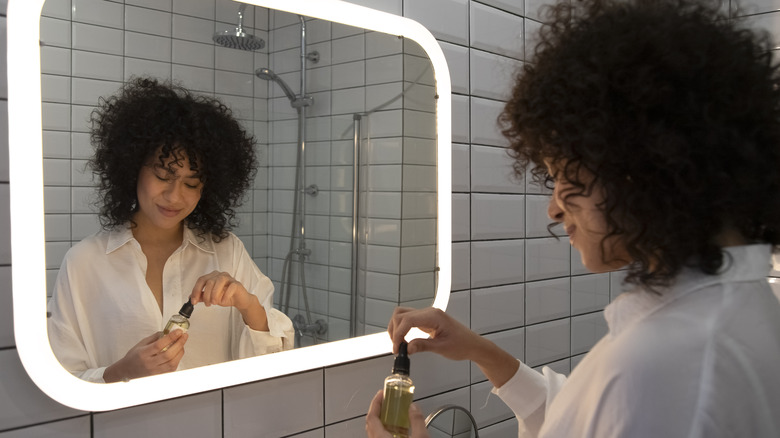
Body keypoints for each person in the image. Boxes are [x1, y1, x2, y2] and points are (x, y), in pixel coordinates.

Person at [366, 0, 780, 436]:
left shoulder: (663, 365)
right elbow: (581, 417)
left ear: (643, 166)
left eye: (567, 178)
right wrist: (481, 352)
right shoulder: (734, 316)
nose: (554, 208)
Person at [47, 77, 294, 383]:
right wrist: (120, 372)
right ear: (132, 166)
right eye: (164, 175)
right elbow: (61, 380)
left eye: (191, 183)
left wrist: (247, 304)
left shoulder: (227, 251)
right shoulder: (84, 262)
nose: (175, 196)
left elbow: (275, 363)